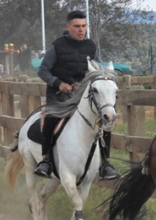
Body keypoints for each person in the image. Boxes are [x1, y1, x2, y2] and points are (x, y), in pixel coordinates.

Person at [34, 10, 120, 181]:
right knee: (51, 118)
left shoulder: (90, 46)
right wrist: (59, 83)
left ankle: (106, 163)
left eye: (84, 26)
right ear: (68, 27)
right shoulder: (57, 46)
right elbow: (43, 70)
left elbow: (95, 70)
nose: (81, 30)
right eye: (77, 26)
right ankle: (46, 161)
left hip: (83, 95)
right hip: (59, 94)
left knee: (104, 120)